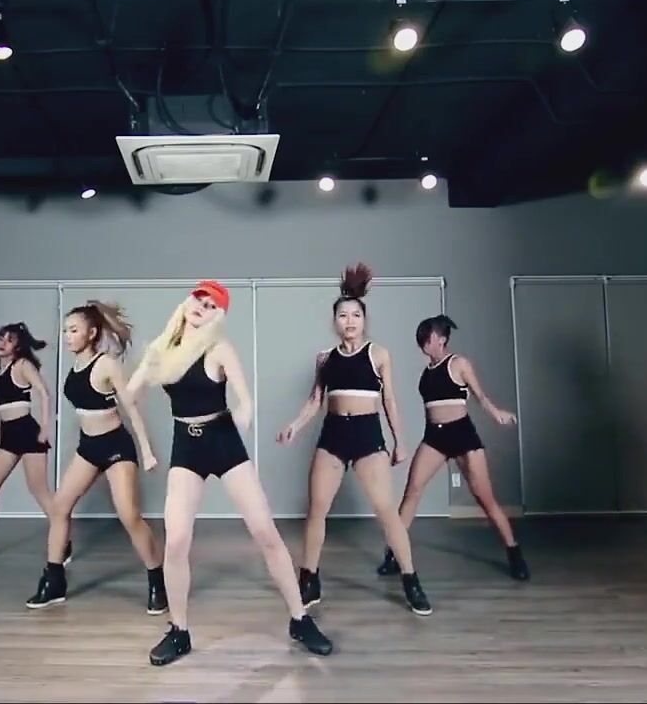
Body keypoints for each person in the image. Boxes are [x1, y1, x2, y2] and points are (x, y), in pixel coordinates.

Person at [126, 280, 333, 666]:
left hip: (223, 442)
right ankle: (178, 631)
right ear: (187, 302)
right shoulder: (163, 349)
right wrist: (139, 430)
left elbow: (245, 398)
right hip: (186, 446)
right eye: (198, 300)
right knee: (176, 540)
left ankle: (300, 620)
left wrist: (244, 414)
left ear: (217, 316)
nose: (201, 308)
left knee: (265, 532)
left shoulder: (219, 348)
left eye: (210, 306)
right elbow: (129, 395)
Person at [277, 263, 432, 615]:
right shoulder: (325, 359)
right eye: (343, 315)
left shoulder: (378, 354)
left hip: (366, 436)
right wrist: (294, 426)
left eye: (355, 315)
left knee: (386, 511)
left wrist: (400, 442)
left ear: (364, 320)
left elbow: (390, 400)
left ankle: (411, 580)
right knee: (317, 510)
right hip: (332, 435)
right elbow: (315, 401)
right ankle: (309, 578)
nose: (349, 321)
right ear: (335, 321)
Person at [25, 301, 167, 614]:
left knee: (129, 516)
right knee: (59, 507)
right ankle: (54, 581)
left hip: (116, 447)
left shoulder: (106, 365)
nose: (67, 336)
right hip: (88, 447)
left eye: (73, 330)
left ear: (91, 334)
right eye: (65, 330)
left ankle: (158, 580)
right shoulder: (75, 365)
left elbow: (131, 409)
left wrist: (146, 451)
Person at [375, 315, 530, 582]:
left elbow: (480, 396)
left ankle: (514, 554)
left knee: (485, 498)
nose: (423, 342)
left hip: (462, 435)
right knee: (412, 491)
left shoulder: (458, 363)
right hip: (434, 437)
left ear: (441, 339)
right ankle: (394, 555)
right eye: (421, 338)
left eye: (427, 337)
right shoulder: (427, 371)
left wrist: (497, 414)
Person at [0, 322, 69, 566]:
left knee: (39, 490)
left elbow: (44, 393)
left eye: (9, 340)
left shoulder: (22, 365)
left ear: (17, 346)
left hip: (27, 432)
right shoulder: (0, 373)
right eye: (1, 338)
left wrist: (46, 427)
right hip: (8, 436)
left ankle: (63, 541)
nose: (2, 343)